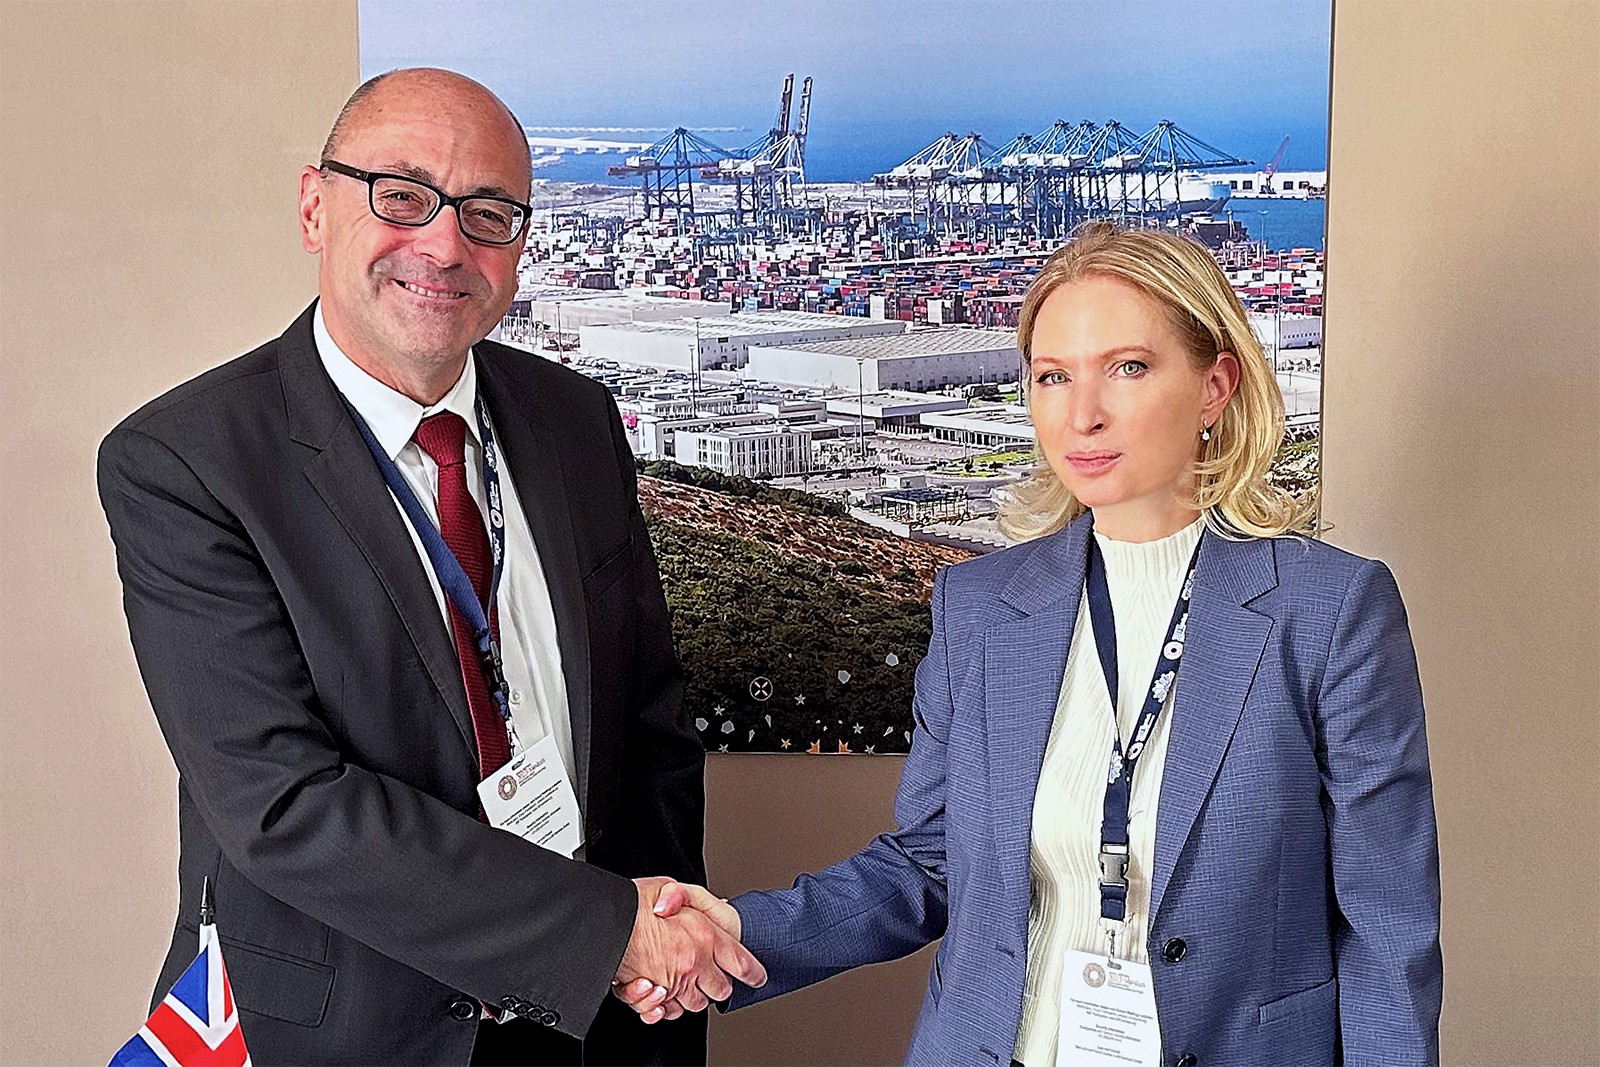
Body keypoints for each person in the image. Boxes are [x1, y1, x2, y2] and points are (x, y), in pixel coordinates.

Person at [623, 222, 1443, 1065]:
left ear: (1215, 385)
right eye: (1053, 376)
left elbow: (1387, 930)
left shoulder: (1331, 611)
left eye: (1128, 367)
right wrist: (732, 932)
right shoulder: (980, 606)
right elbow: (932, 862)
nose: (1083, 414)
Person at [98, 68, 763, 1067]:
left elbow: (645, 724)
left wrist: (657, 968)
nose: (446, 245)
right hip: (346, 1033)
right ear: (315, 207)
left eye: (488, 213)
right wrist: (606, 931)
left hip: (592, 1016)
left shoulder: (574, 420)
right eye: (402, 196)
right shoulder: (186, 462)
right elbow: (283, 803)